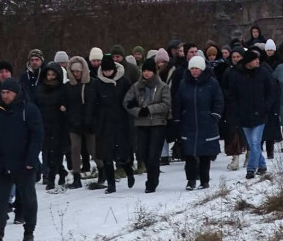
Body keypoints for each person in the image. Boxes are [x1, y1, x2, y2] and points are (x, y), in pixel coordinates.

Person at [0, 79, 42, 241]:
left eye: (9, 92)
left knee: (27, 198)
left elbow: (37, 136)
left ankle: (29, 231)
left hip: (23, 163)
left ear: (17, 93)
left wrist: (31, 159)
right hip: (0, 162)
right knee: (0, 200)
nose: (6, 96)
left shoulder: (28, 110)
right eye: (3, 92)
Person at [173, 55, 224, 190]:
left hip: (206, 122)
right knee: (189, 153)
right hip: (188, 122)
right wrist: (178, 118)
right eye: (192, 68)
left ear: (202, 69)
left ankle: (204, 180)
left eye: (197, 68)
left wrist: (214, 115)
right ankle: (191, 180)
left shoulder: (212, 83)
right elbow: (178, 102)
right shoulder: (184, 83)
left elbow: (218, 101)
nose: (194, 71)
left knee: (204, 154)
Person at [124, 58, 171, 193]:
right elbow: (127, 102)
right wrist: (138, 111)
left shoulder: (163, 87)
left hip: (158, 123)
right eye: (144, 71)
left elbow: (166, 104)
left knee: (153, 155)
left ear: (154, 72)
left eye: (149, 71)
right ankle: (151, 176)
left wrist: (150, 109)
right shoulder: (136, 87)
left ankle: (152, 181)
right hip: (142, 123)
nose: (146, 73)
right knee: (143, 154)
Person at [230, 50, 278, 178]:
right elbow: (232, 95)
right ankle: (262, 165)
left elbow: (272, 91)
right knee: (252, 143)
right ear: (248, 62)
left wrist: (266, 106)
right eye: (255, 59)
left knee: (255, 142)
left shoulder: (263, 73)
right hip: (244, 114)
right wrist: (236, 110)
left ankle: (251, 169)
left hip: (260, 114)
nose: (258, 61)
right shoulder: (237, 75)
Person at [91, 57, 134, 193]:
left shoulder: (123, 81)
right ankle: (111, 184)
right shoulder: (98, 83)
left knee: (122, 155)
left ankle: (129, 172)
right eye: (105, 71)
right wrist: (95, 120)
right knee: (107, 156)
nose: (107, 73)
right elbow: (93, 103)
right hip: (104, 122)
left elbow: (130, 100)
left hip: (121, 121)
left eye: (109, 70)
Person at [36, 63, 69, 193]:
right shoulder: (40, 88)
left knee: (56, 152)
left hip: (58, 124)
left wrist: (64, 109)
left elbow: (67, 105)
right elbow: (36, 104)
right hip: (44, 123)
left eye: (53, 75)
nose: (50, 77)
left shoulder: (62, 89)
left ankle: (51, 179)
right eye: (48, 74)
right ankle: (61, 171)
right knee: (47, 153)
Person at [64, 55, 95, 187]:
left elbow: (92, 103)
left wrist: (90, 119)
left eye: (78, 71)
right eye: (74, 71)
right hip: (73, 122)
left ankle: (103, 172)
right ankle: (76, 177)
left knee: (93, 149)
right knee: (75, 150)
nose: (76, 74)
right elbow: (65, 100)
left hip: (89, 122)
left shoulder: (91, 84)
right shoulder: (68, 86)